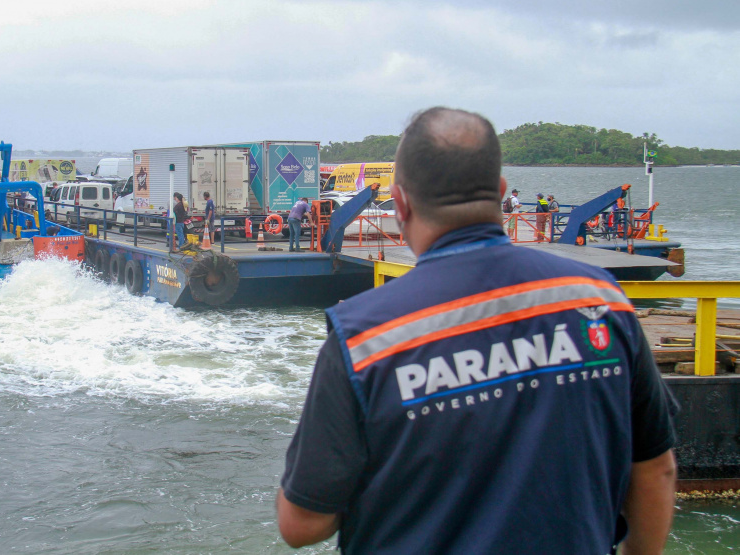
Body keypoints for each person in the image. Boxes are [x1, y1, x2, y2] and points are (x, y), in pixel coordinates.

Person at [277, 107, 677, 554]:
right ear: (501, 192)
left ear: (401, 203)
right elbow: (656, 469)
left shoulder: (364, 337)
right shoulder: (602, 301)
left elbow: (302, 523)